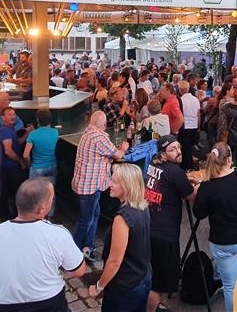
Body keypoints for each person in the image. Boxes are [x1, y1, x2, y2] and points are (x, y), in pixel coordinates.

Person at [0, 178, 85, 310]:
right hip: (50, 304)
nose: (52, 202)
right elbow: (78, 270)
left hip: (7, 305)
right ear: (42, 209)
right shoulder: (58, 234)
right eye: (51, 199)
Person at [193, 142, 237, 312]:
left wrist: (198, 192)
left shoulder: (207, 186)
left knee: (230, 287)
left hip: (223, 241)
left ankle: (220, 275)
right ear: (229, 159)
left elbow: (199, 214)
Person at [88, 163, 152, 312]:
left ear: (127, 185)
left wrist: (99, 287)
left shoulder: (122, 218)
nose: (110, 184)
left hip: (125, 285)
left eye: (115, 181)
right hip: (142, 276)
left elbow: (115, 261)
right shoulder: (142, 206)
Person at [144, 135, 196, 311]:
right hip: (165, 234)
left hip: (149, 226)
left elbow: (168, 184)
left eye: (178, 147)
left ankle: (154, 304)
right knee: (159, 283)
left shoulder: (153, 164)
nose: (178, 152)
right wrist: (200, 186)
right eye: (172, 150)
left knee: (152, 273)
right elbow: (191, 196)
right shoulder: (175, 172)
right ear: (163, 154)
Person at [72, 111, 128, 263]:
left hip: (84, 183)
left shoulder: (88, 131)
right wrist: (124, 147)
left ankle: (87, 246)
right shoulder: (99, 136)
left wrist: (106, 160)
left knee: (93, 214)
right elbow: (118, 155)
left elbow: (98, 155)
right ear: (103, 124)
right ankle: (74, 252)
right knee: (86, 219)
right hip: (90, 186)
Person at [23, 109, 59, 216]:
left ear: (37, 120)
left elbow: (25, 154)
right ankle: (50, 216)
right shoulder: (55, 132)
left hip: (37, 168)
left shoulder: (33, 134)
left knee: (35, 194)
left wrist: (28, 163)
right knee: (50, 192)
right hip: (52, 166)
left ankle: (35, 215)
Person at [0, 107, 28, 219]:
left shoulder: (10, 130)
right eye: (9, 114)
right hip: (10, 168)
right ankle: (12, 216)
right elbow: (8, 150)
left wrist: (27, 133)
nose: (13, 117)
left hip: (9, 168)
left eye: (14, 114)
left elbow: (17, 143)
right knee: (13, 193)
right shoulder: (5, 131)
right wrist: (20, 161)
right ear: (2, 118)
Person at [178, 80, 201, 170]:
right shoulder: (195, 99)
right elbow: (198, 114)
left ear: (180, 90)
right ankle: (189, 165)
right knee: (189, 147)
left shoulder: (181, 100)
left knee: (184, 148)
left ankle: (187, 167)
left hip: (185, 126)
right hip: (194, 126)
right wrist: (198, 126)